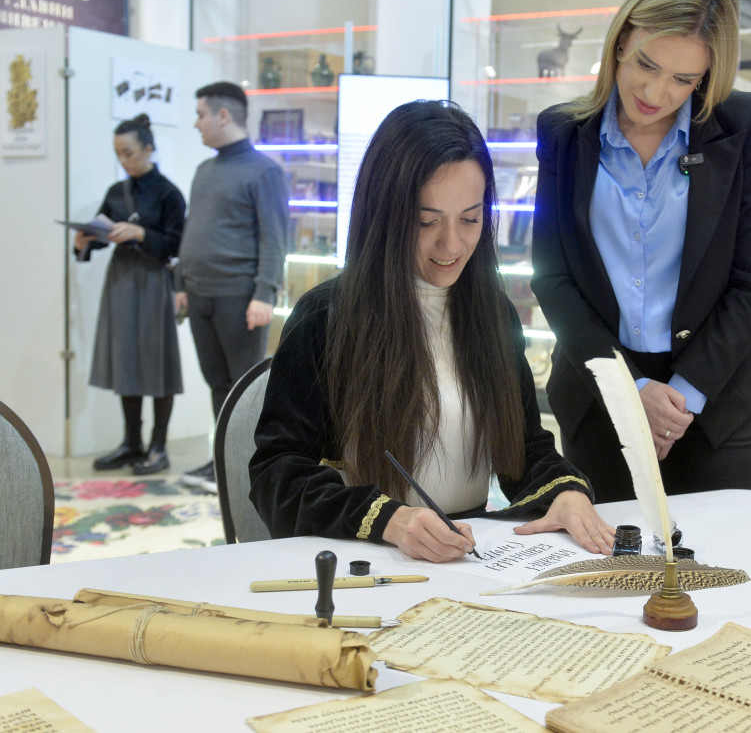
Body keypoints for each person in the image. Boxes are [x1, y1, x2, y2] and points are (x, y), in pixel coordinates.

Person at [249, 100, 616, 563]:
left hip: (466, 554)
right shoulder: (327, 317)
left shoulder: (490, 311)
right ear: (385, 214)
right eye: (426, 222)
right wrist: (390, 520)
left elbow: (524, 446)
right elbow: (277, 475)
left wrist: (565, 492)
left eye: (470, 218)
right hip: (364, 558)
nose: (452, 245)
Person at [531, 0, 751, 504]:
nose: (655, 93)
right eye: (647, 65)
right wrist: (631, 390)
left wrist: (681, 398)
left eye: (683, 78)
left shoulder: (747, 125)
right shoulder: (563, 132)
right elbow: (553, 278)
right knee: (606, 573)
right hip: (599, 391)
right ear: (621, 40)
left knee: (721, 572)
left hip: (715, 398)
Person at [176, 82, 289, 492]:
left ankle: (244, 465)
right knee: (217, 383)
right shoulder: (204, 170)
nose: (196, 123)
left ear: (223, 116)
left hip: (240, 297)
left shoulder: (265, 171)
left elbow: (274, 237)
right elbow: (192, 230)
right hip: (199, 293)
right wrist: (180, 283)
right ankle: (222, 460)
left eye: (200, 114)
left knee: (243, 388)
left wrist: (265, 292)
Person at [75, 114, 186, 476]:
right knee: (125, 358)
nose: (124, 161)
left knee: (155, 361)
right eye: (118, 154)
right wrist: (83, 242)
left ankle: (158, 446)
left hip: (154, 281)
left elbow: (176, 244)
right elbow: (98, 233)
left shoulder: (169, 193)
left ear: (149, 149)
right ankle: (131, 443)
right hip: (121, 282)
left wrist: (140, 234)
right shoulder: (115, 192)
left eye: (130, 153)